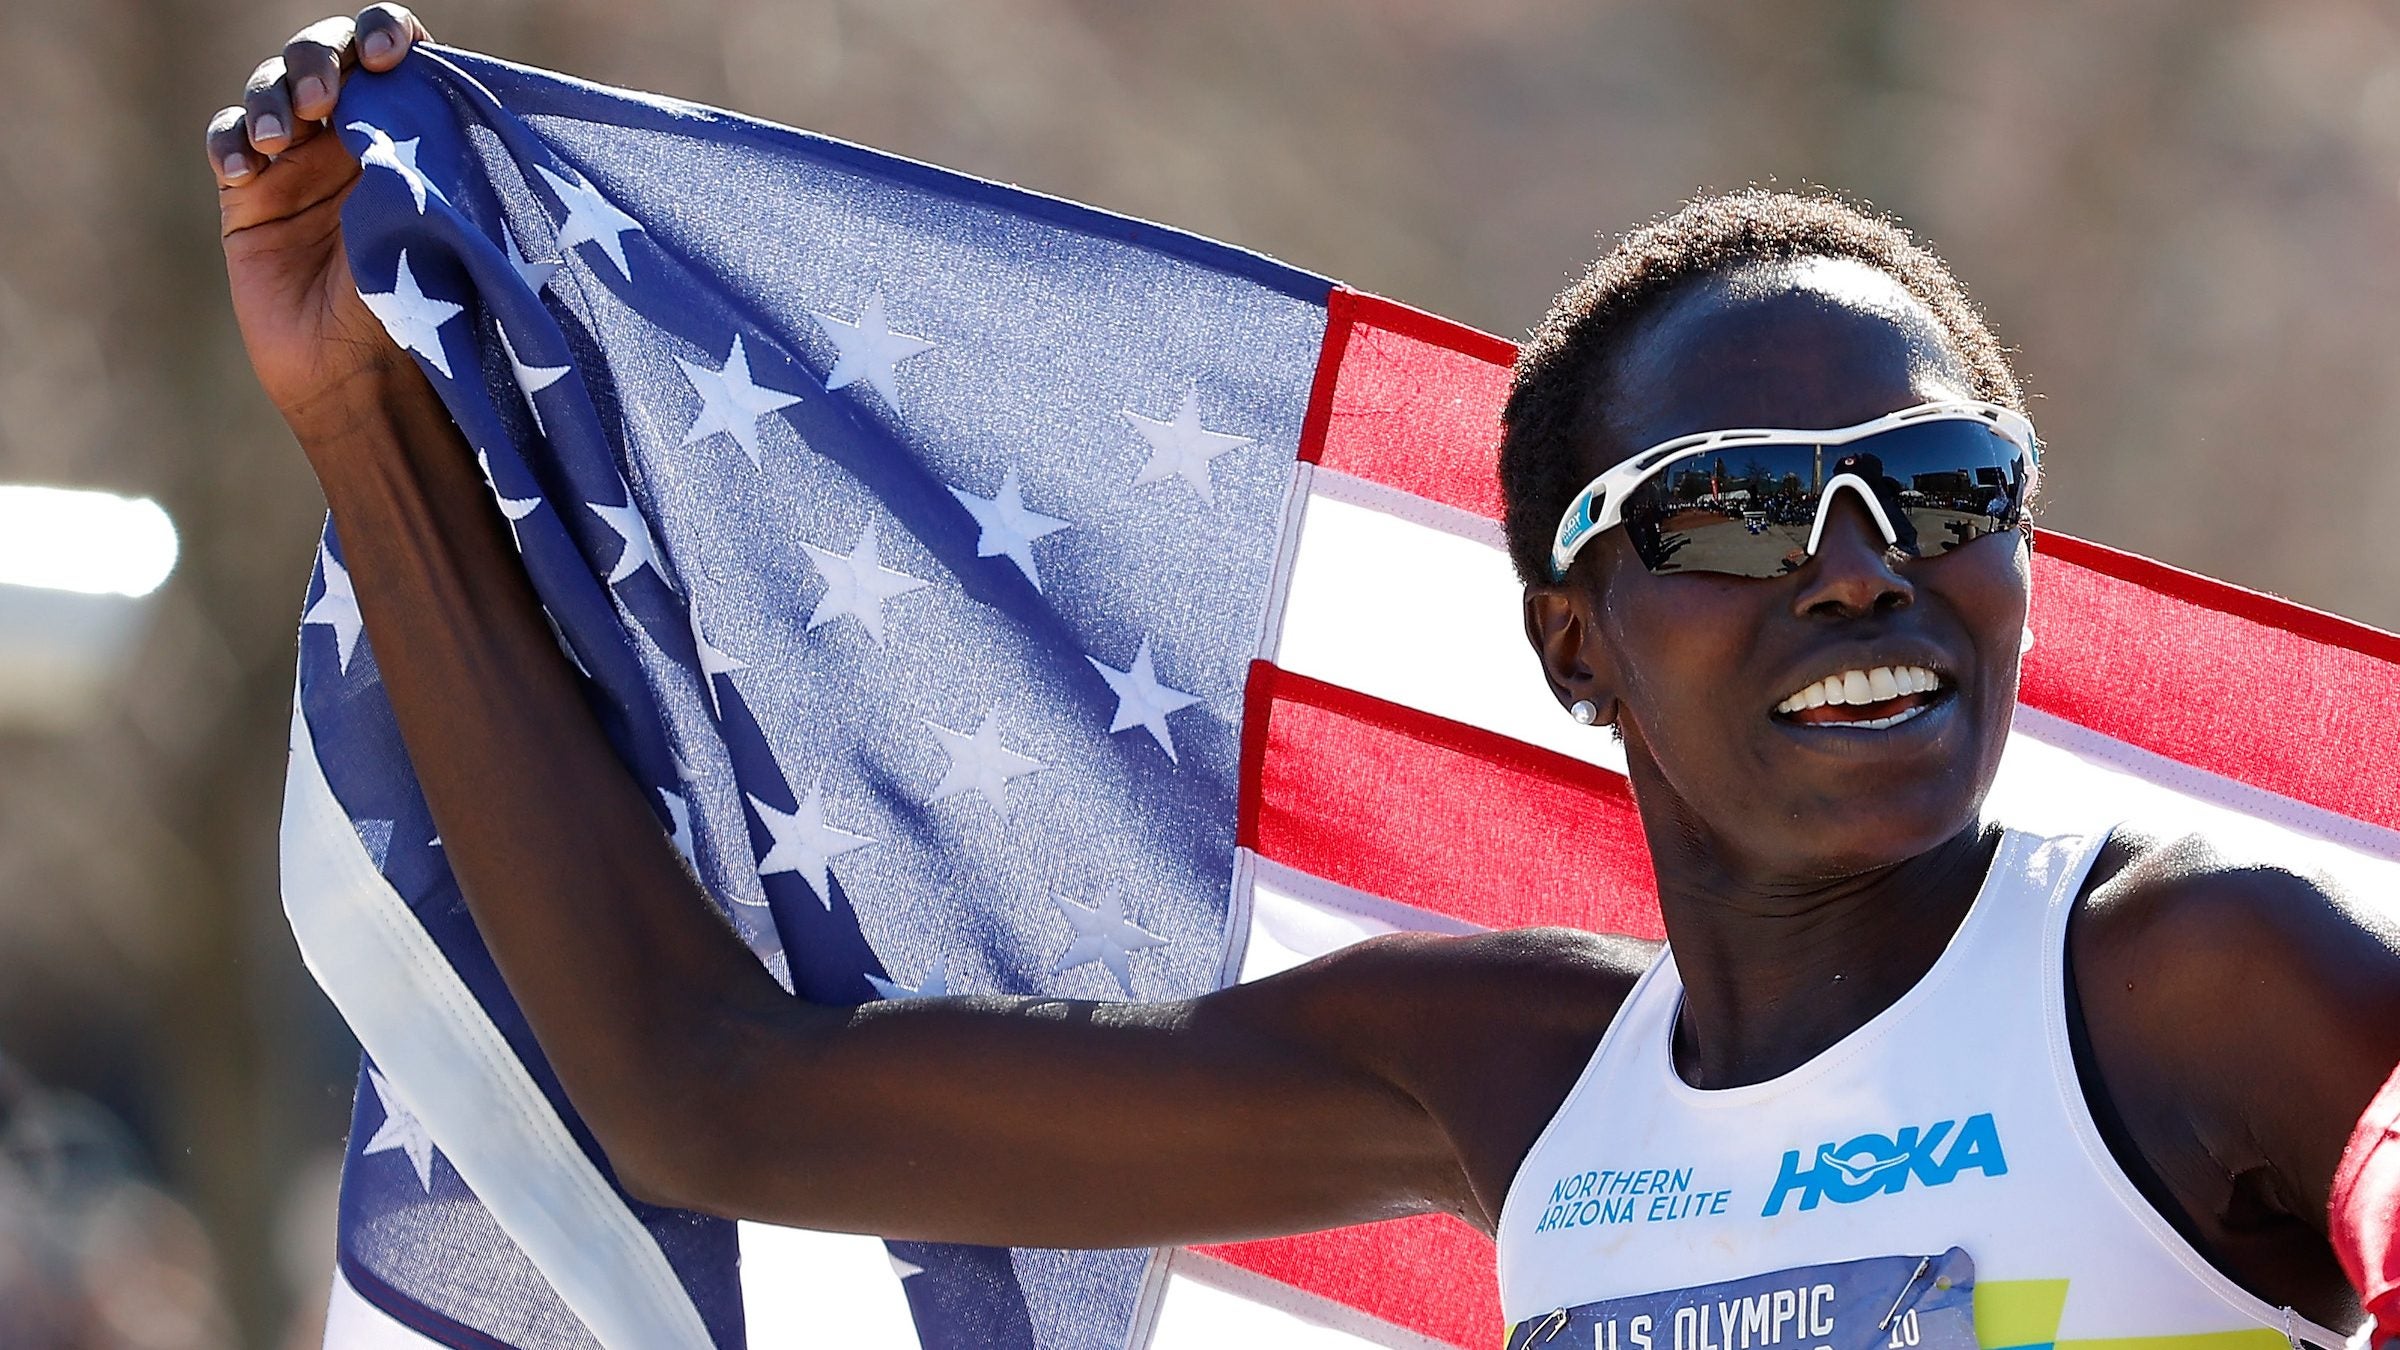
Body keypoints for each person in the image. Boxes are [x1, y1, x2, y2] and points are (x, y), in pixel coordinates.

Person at [209, 7, 2400, 1339]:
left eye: (1938, 488)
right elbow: (716, 1097)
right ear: (1574, 639)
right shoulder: (1513, 1076)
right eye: (1738, 509)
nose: (1860, 571)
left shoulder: (2203, 983)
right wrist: (364, 425)